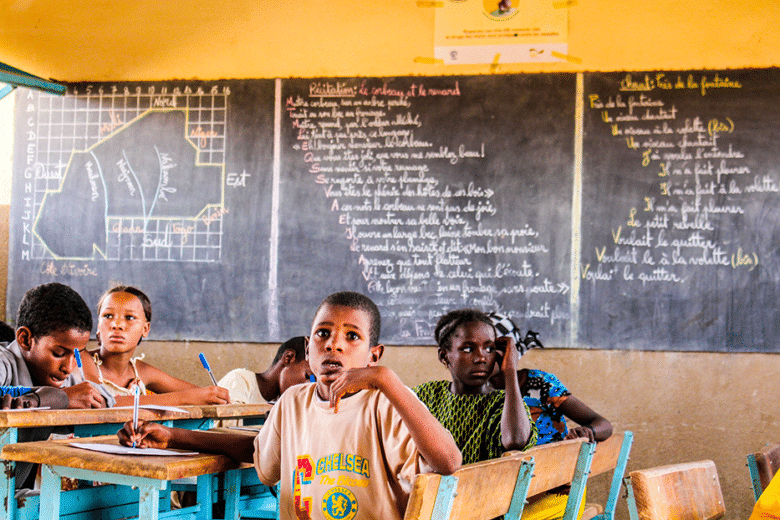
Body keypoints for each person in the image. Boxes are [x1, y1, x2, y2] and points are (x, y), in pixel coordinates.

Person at [119, 291, 462, 520]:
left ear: (374, 354)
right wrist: (174, 436)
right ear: (308, 349)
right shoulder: (293, 402)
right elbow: (261, 451)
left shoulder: (386, 404)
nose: (334, 345)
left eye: (352, 336)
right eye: (322, 334)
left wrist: (386, 380)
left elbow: (447, 462)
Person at [488, 312, 612, 520]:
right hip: (503, 497)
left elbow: (603, 425)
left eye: (491, 350)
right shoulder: (477, 391)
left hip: (557, 494)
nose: (481, 358)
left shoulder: (541, 384)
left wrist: (587, 432)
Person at [0, 282, 112, 492]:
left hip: (11, 489)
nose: (68, 368)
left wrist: (72, 397)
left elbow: (104, 398)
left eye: (77, 355)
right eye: (59, 353)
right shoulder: (4, 362)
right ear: (26, 340)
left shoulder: (60, 377)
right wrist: (61, 399)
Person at [413, 308, 537, 465]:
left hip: (487, 488)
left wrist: (510, 371)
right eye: (468, 349)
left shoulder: (501, 403)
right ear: (444, 356)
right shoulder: (426, 396)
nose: (481, 358)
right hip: (433, 488)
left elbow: (515, 441)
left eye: (489, 349)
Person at [80, 285, 230, 406]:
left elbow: (201, 395)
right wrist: (185, 398)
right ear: (98, 326)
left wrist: (213, 396)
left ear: (145, 329)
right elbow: (104, 403)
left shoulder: (139, 371)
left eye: (129, 317)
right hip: (84, 443)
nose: (117, 324)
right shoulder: (81, 360)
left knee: (239, 379)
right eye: (108, 316)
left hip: (127, 443)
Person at [218, 336, 313, 405]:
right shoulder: (240, 380)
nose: (310, 386)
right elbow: (230, 426)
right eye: (308, 376)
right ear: (288, 358)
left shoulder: (283, 402)